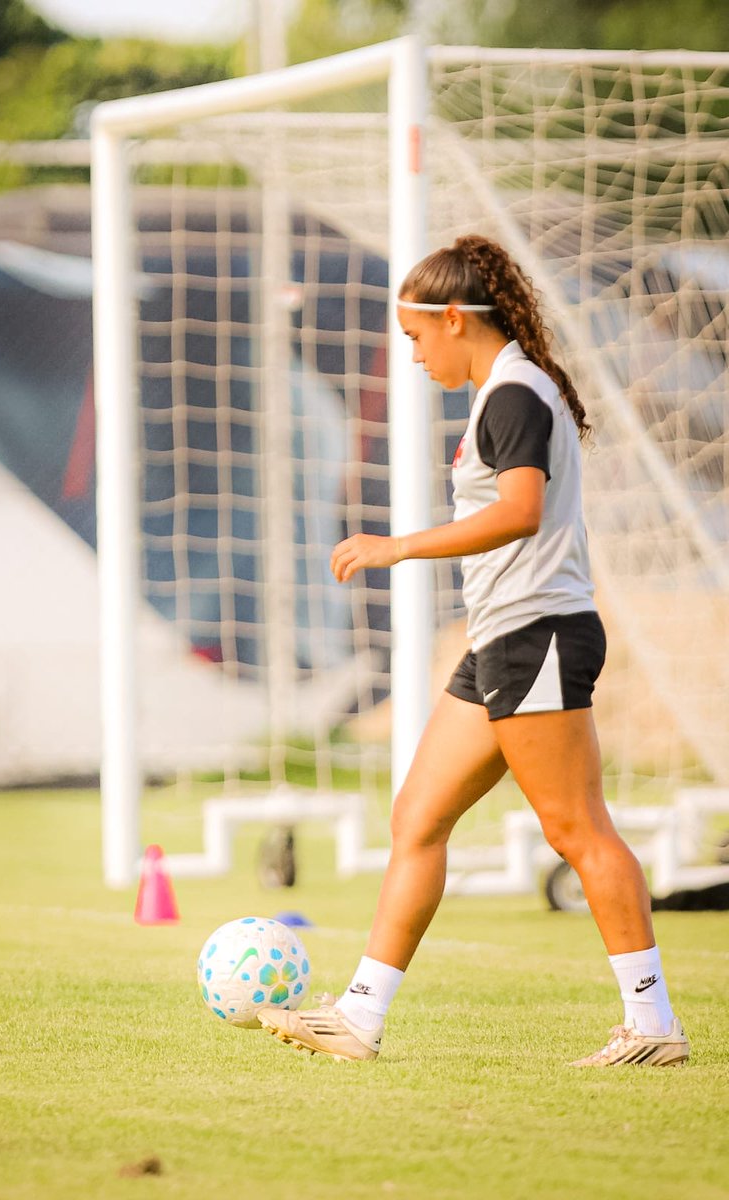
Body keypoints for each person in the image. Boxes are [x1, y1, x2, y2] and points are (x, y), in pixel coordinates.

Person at [257, 234, 689, 1068]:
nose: (414, 354)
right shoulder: (504, 388)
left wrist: (399, 546)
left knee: (578, 830)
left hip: (538, 636)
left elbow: (520, 510)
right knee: (417, 819)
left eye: (417, 336)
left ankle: (653, 1027)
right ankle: (358, 1018)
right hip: (498, 639)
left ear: (455, 318)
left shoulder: (516, 391)